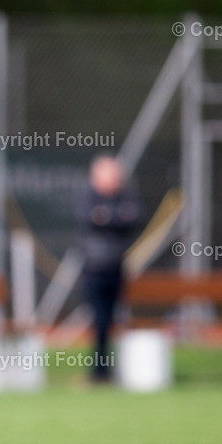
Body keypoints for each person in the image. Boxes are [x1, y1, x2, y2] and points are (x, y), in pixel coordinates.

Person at [75, 155, 142, 383]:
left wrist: (106, 217)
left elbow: (132, 219)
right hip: (94, 269)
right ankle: (99, 371)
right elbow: (89, 218)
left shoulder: (125, 196)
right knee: (100, 321)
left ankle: (115, 370)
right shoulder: (87, 196)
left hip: (117, 267)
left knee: (115, 320)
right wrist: (114, 218)